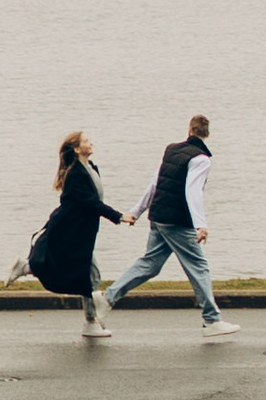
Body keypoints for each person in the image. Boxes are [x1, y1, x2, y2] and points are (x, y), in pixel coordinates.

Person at [100, 114, 238, 335]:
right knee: (198, 266)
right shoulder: (201, 159)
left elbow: (155, 183)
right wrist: (200, 225)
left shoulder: (171, 150)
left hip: (158, 216)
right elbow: (192, 191)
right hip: (177, 221)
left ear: (190, 129)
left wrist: (137, 211)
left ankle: (107, 298)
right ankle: (212, 320)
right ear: (207, 134)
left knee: (150, 264)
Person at [8, 130, 129, 336]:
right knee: (90, 274)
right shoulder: (75, 174)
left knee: (76, 269)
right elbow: (91, 203)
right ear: (77, 148)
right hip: (68, 228)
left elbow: (93, 202)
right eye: (86, 141)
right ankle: (90, 322)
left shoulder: (90, 168)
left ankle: (26, 267)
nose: (91, 143)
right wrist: (119, 216)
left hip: (80, 230)